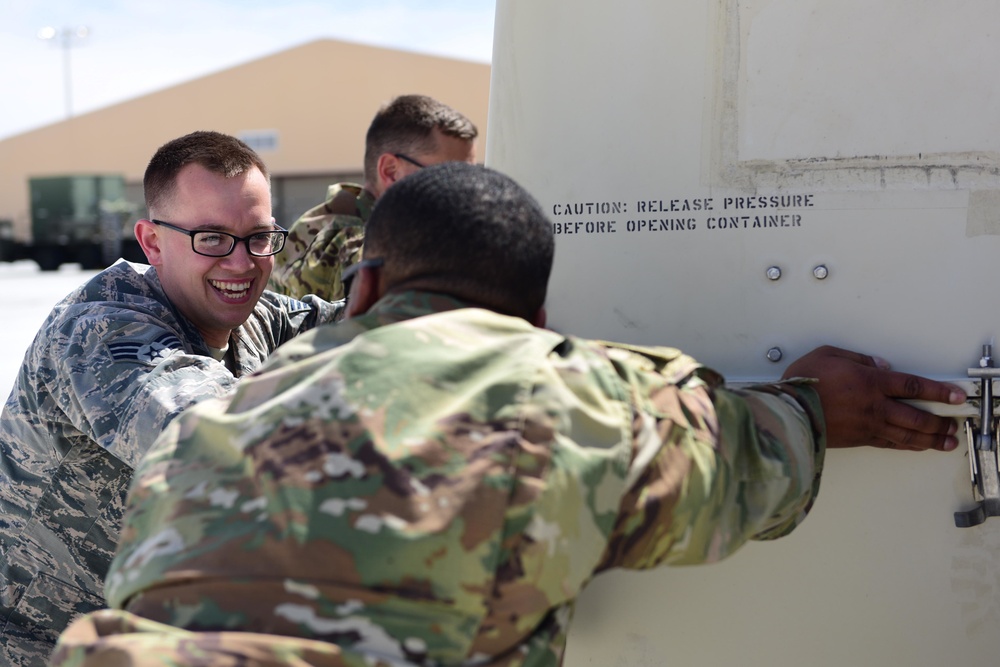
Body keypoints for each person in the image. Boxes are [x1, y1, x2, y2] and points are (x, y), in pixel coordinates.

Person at [52, 163, 965, 667]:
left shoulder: (224, 417)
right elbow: (743, 469)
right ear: (533, 319)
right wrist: (808, 404)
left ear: (362, 286)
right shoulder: (563, 393)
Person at [0, 130, 344, 666]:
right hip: (43, 646)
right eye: (211, 238)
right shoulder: (102, 331)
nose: (242, 263)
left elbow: (360, 322)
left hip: (146, 638)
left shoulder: (255, 318)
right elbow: (214, 441)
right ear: (153, 242)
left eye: (259, 237)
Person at [267, 93, 478, 301]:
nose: (463, 190)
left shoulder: (324, 224)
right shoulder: (366, 250)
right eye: (450, 175)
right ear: (391, 171)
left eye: (471, 176)